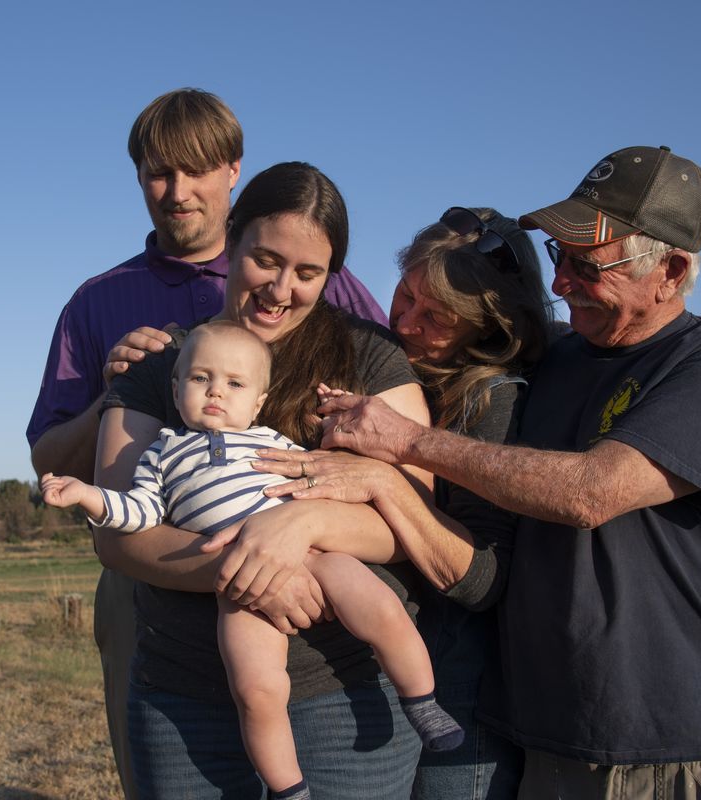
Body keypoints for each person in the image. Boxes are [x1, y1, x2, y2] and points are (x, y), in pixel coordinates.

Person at [289, 146, 701, 799]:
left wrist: (407, 445)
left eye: (587, 265)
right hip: (550, 744)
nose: (562, 286)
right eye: (559, 260)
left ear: (671, 270)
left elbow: (594, 491)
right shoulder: (554, 361)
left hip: (678, 752)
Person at [23, 88, 386, 796]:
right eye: (159, 172)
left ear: (233, 173)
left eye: (198, 170)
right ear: (138, 178)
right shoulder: (99, 300)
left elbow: (389, 389)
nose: (178, 191)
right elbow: (46, 456)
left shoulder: (307, 275)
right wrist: (111, 393)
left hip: (308, 563)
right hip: (153, 577)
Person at [94, 161, 442, 799]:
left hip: (340, 692)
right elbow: (116, 537)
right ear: (232, 242)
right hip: (183, 699)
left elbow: (418, 517)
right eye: (265, 260)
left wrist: (299, 525)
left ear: (330, 275)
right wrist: (253, 569)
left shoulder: (369, 357)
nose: (282, 288)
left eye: (308, 273)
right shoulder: (162, 365)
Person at [42, 321, 463, 798]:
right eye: (201, 379)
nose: (216, 392)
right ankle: (290, 787)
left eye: (234, 384)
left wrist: (339, 416)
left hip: (314, 556)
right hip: (240, 593)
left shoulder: (273, 441)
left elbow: (324, 464)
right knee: (257, 692)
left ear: (258, 402)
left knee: (383, 611)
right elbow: (135, 513)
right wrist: (86, 495)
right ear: (176, 389)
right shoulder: (162, 454)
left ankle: (422, 701)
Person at [255, 206, 554, 800]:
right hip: (364, 679)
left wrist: (384, 482)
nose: (407, 321)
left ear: (487, 329)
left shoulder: (490, 402)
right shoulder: (383, 365)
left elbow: (481, 579)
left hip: (456, 695)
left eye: (436, 316)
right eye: (406, 293)